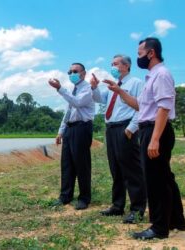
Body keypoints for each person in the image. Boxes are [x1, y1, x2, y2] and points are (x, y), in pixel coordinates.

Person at [105, 37, 185, 240]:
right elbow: (142, 106)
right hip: (151, 128)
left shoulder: (162, 75)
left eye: (140, 54)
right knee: (165, 177)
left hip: (155, 129)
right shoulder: (152, 76)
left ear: (151, 53)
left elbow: (164, 107)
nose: (138, 57)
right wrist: (121, 92)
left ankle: (159, 228)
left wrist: (155, 138)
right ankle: (176, 219)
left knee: (155, 181)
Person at [90, 55, 146, 224]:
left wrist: (131, 128)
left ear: (126, 66)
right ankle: (117, 205)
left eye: (115, 64)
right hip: (111, 129)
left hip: (125, 128)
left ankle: (137, 209)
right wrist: (94, 88)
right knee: (116, 169)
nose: (112, 66)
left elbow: (141, 107)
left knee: (131, 170)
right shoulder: (113, 86)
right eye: (111, 64)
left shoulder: (136, 83)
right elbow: (101, 99)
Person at [48, 62, 95, 210]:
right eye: (70, 72)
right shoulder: (72, 91)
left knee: (82, 164)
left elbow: (78, 103)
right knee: (67, 164)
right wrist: (60, 131)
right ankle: (65, 196)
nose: (72, 74)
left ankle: (84, 198)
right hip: (70, 129)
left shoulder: (87, 89)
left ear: (83, 73)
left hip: (82, 128)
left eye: (75, 71)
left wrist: (60, 89)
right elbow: (68, 113)